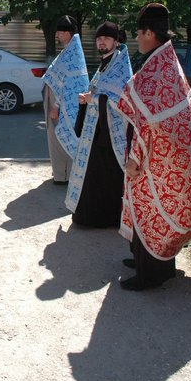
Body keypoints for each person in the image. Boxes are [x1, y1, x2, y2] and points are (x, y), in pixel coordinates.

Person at [116, 3, 191, 290]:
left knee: (149, 208)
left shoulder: (158, 68)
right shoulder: (165, 60)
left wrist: (134, 158)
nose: (137, 38)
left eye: (138, 33)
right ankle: (147, 260)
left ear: (149, 33)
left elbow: (148, 124)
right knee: (147, 205)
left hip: (161, 157)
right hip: (167, 152)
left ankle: (151, 274)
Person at [66, 22, 132, 227]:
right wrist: (88, 99)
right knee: (94, 174)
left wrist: (92, 99)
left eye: (107, 38)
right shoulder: (105, 63)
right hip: (96, 129)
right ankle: (90, 217)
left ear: (116, 41)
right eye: (99, 38)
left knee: (105, 175)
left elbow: (121, 100)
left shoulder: (120, 66)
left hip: (111, 133)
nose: (102, 42)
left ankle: (107, 219)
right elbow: (99, 92)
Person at [42, 15, 89, 184]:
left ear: (67, 33)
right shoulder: (70, 50)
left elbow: (69, 85)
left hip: (61, 106)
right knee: (56, 138)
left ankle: (64, 175)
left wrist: (56, 105)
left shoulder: (73, 54)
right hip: (57, 102)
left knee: (61, 137)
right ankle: (61, 172)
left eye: (59, 32)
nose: (57, 35)